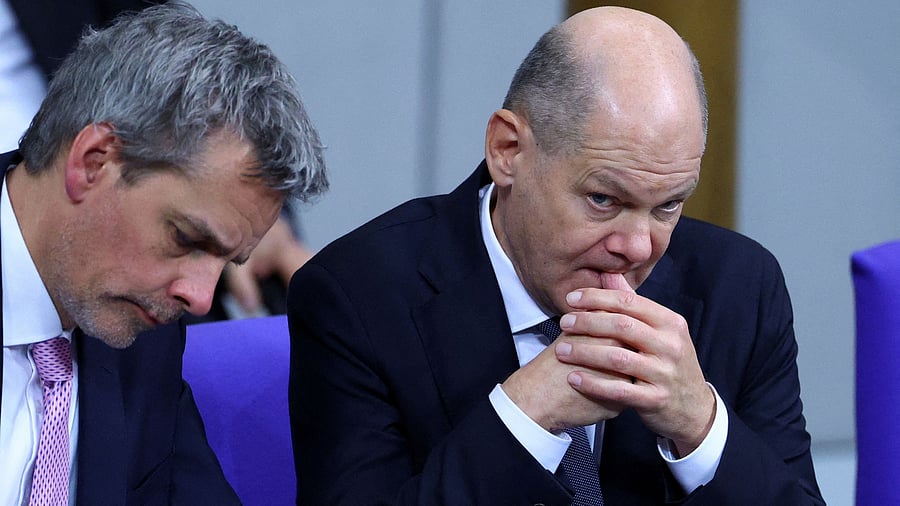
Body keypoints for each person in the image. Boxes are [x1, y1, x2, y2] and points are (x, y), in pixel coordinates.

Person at [287, 6, 823, 505]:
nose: (637, 247)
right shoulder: (358, 294)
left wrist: (699, 425)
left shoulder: (739, 286)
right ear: (508, 152)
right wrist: (525, 418)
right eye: (603, 199)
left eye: (668, 206)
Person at [0, 2, 327, 504]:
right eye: (186, 238)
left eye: (227, 262)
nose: (199, 299)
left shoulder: (144, 337)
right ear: (94, 161)